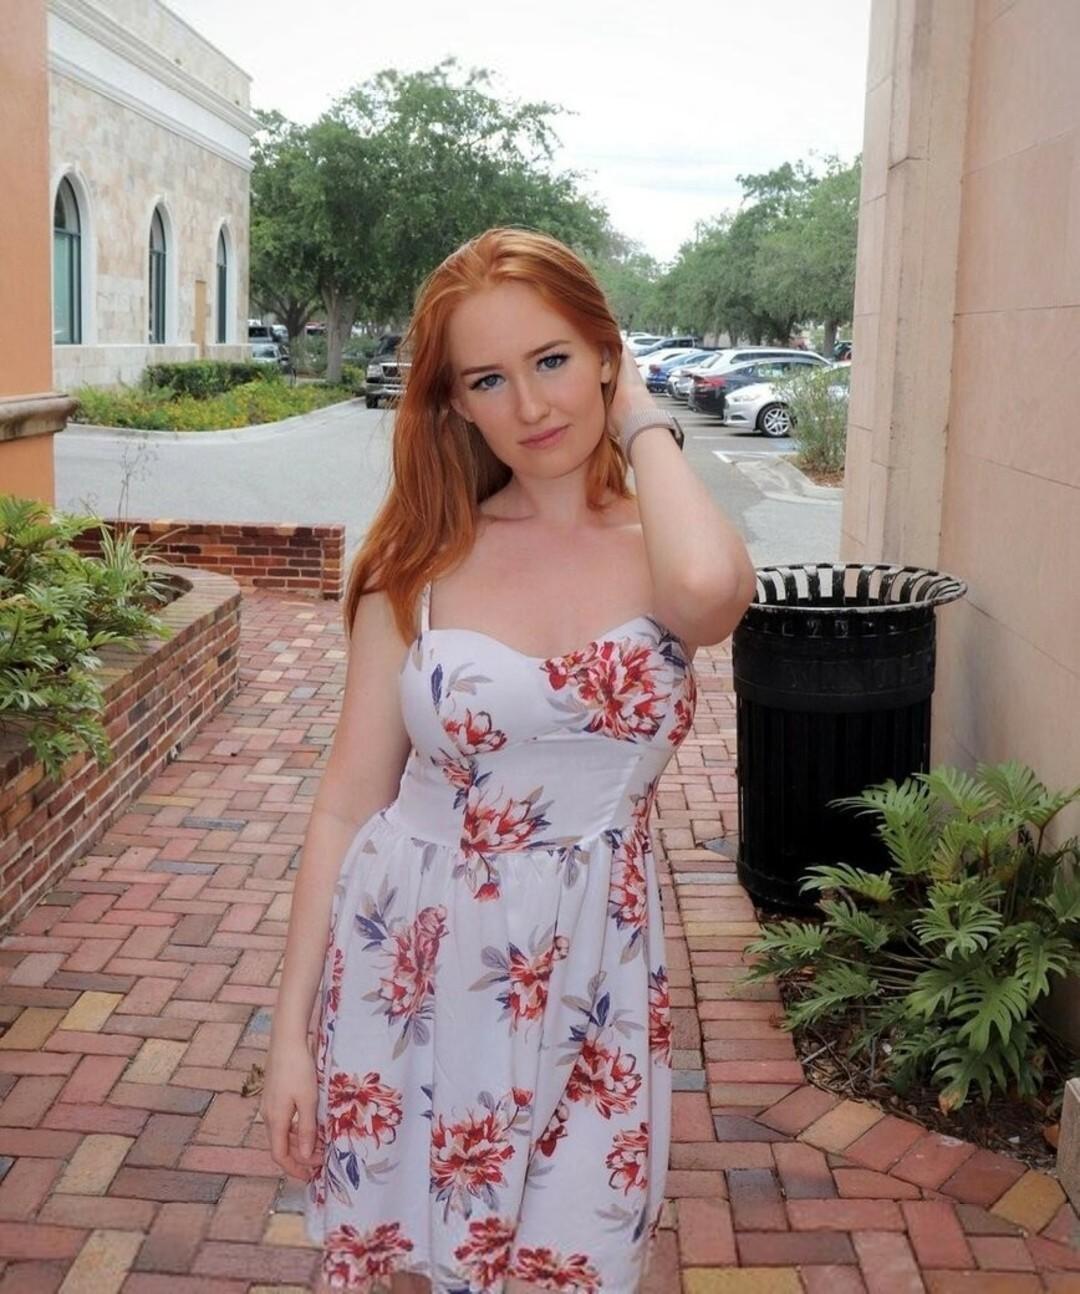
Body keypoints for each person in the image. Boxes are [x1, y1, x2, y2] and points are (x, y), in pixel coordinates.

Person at [261, 226, 757, 1294]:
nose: (531, 405)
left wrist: (643, 420)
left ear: (607, 355)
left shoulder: (663, 548)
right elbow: (346, 806)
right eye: (489, 378)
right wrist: (289, 1037)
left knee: (572, 1264)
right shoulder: (418, 563)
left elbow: (711, 594)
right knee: (421, 1262)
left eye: (554, 359)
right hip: (414, 963)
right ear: (455, 403)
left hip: (595, 975)